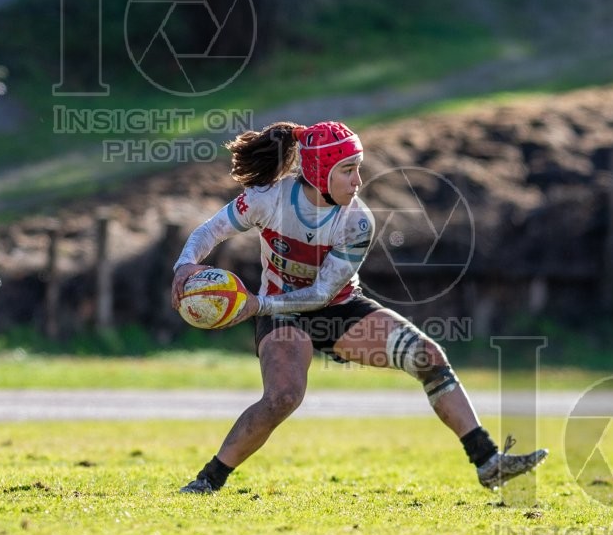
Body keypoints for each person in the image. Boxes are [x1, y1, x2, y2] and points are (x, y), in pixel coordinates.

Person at [171, 120, 547, 494]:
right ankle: (208, 480)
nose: (358, 181)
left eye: (358, 169)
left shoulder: (356, 221)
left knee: (428, 356)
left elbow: (320, 295)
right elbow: (210, 231)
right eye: (348, 170)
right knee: (282, 397)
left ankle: (488, 461)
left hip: (337, 308)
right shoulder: (267, 198)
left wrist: (257, 304)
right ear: (319, 172)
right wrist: (185, 265)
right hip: (282, 314)